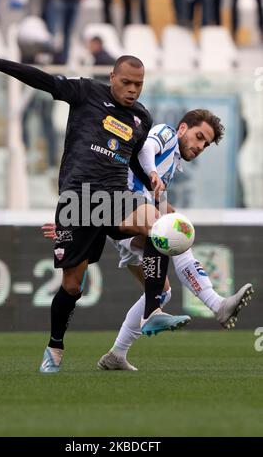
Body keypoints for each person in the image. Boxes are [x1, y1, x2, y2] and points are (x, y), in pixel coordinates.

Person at [0, 52, 190, 374]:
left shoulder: (141, 118)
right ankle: (55, 346)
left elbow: (130, 160)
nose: (132, 90)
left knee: (159, 225)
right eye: (126, 82)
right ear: (112, 77)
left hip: (115, 195)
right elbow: (43, 80)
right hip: (79, 199)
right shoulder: (86, 92)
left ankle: (152, 310)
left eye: (138, 84)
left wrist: (149, 179)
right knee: (72, 286)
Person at [42, 110, 254, 371]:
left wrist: (168, 208)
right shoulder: (165, 134)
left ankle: (116, 355)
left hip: (133, 218)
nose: (200, 146)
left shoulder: (173, 164)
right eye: (198, 137)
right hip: (124, 211)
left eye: (205, 144)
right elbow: (146, 151)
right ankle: (216, 303)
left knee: (162, 291)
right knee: (174, 236)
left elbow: (151, 191)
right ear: (182, 128)